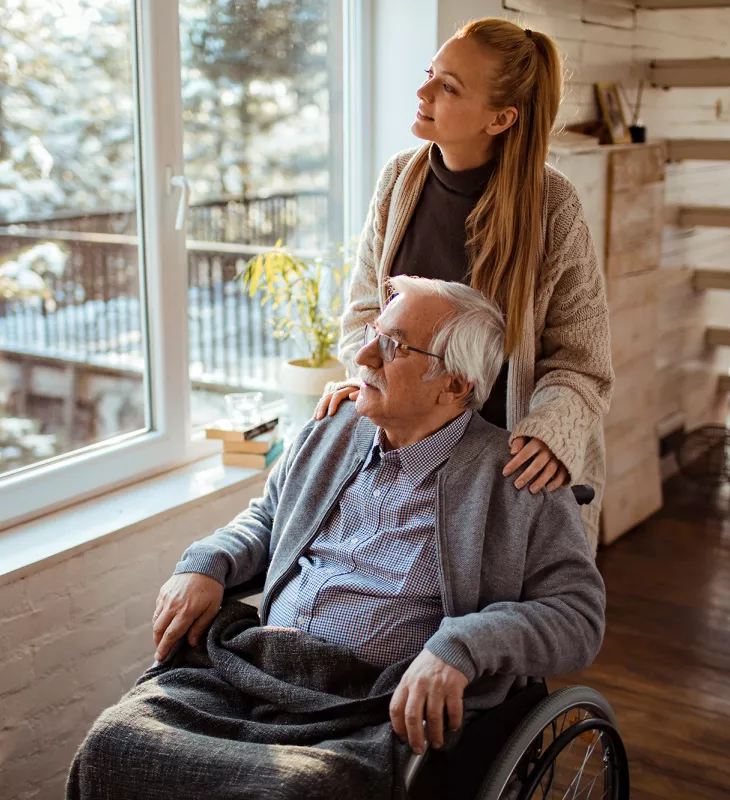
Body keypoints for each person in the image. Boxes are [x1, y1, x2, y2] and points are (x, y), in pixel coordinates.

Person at [67, 277, 605, 800]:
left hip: (370, 706)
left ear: (456, 383)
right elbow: (267, 520)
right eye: (374, 330)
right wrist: (206, 563)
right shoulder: (331, 429)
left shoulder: (519, 480)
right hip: (254, 669)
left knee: (296, 790)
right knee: (112, 744)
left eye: (392, 346)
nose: (364, 355)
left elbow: (578, 616)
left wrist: (463, 646)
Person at [316, 18, 614, 551]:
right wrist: (369, 379)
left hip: (508, 472)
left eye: (448, 86)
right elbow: (365, 314)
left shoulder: (554, 207)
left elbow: (582, 362)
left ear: (500, 118)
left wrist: (550, 433)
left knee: (501, 623)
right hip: (413, 460)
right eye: (431, 73)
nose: (423, 90)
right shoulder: (397, 182)